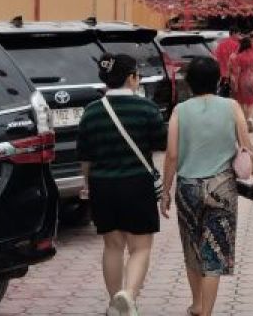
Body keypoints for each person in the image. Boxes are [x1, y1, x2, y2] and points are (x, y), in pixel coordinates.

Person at [160, 57, 253, 316]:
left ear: (189, 82)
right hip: (222, 187)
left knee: (192, 247)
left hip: (188, 188)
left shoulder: (180, 111)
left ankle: (197, 303)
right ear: (218, 79)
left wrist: (165, 192)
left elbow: (171, 154)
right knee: (214, 252)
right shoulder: (232, 106)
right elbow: (247, 145)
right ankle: (206, 310)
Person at [77, 53, 168, 316]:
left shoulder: (91, 112)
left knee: (112, 246)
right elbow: (160, 143)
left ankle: (114, 303)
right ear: (131, 78)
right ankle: (128, 295)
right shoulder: (147, 109)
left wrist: (87, 183)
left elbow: (85, 158)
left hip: (102, 186)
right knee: (140, 248)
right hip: (137, 184)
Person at [229, 37, 253, 130]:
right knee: (251, 101)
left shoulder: (239, 57)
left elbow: (237, 71)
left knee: (243, 102)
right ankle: (250, 119)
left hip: (242, 80)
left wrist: (235, 84)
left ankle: (245, 119)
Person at [213, 27, 241, 95]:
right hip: (234, 76)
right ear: (234, 33)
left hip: (222, 75)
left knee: (223, 95)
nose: (239, 36)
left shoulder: (221, 44)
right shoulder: (237, 45)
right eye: (238, 34)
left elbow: (215, 57)